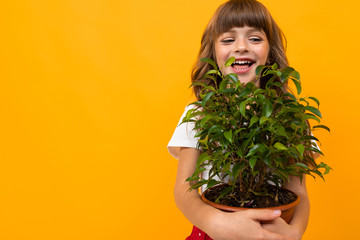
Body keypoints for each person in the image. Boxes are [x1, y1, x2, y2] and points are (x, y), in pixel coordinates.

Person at [168, 1, 312, 239]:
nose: (242, 47)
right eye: (228, 40)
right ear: (212, 52)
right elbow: (183, 189)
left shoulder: (290, 116)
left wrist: (294, 232)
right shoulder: (200, 112)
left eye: (255, 39)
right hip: (212, 233)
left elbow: (299, 193)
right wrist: (215, 222)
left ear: (270, 52)